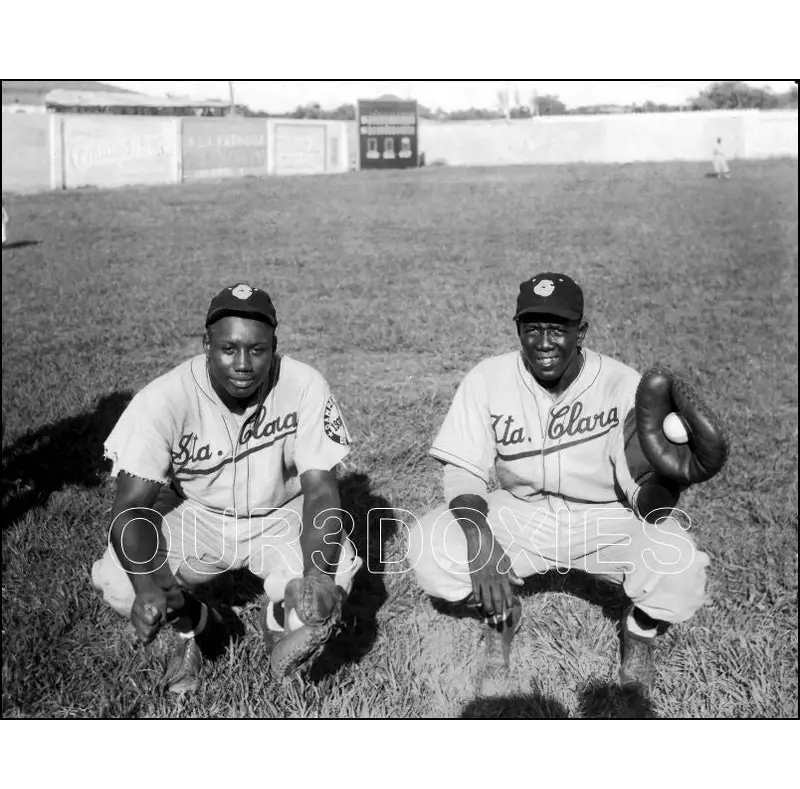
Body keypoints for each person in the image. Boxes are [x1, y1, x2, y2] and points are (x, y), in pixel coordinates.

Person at [407, 273, 726, 696]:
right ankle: (502, 617)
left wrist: (671, 480)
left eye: (558, 329)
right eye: (532, 328)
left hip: (604, 516)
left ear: (582, 332)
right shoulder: (488, 379)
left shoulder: (619, 383)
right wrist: (480, 539)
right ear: (517, 328)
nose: (543, 342)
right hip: (521, 512)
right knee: (427, 549)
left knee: (681, 564)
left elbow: (645, 499)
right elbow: (463, 471)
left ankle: (640, 631)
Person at [92, 283, 362, 693]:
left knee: (333, 575)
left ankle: (277, 619)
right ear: (206, 344)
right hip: (198, 514)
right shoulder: (165, 398)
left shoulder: (303, 384)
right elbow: (130, 508)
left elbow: (322, 492)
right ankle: (196, 628)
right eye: (228, 348)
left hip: (281, 513)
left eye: (257, 350)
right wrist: (148, 588)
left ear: (274, 346)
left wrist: (317, 576)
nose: (243, 363)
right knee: (118, 579)